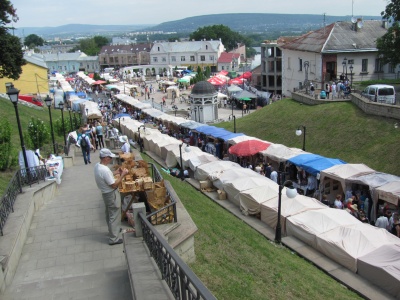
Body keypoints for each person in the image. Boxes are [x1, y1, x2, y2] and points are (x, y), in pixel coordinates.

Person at [94, 149, 129, 245]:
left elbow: (106, 176)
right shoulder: (104, 170)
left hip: (105, 194)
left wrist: (116, 172)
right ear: (105, 158)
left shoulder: (97, 166)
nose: (110, 159)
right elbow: (114, 185)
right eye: (109, 158)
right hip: (111, 194)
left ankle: (113, 230)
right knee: (114, 214)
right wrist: (122, 175)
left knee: (109, 213)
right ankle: (114, 238)